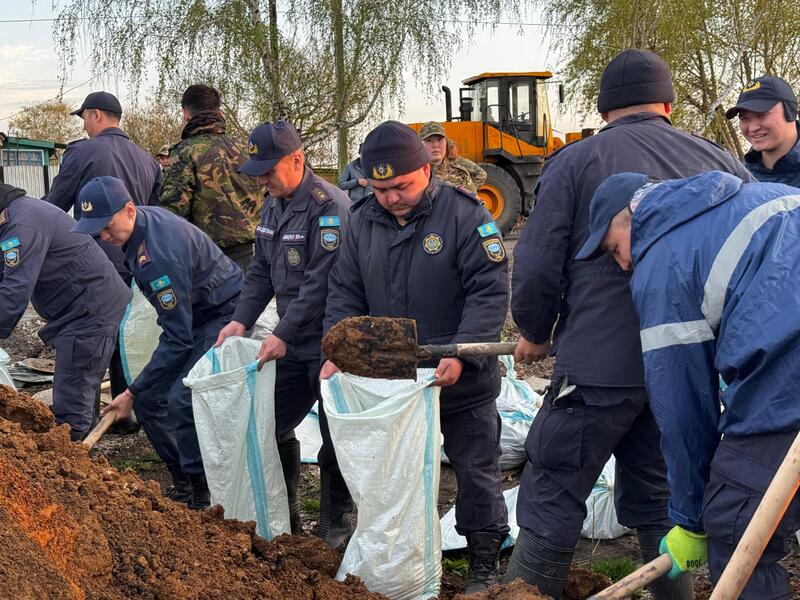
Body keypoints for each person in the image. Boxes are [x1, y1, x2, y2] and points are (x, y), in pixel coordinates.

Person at [506, 49, 753, 599]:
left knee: (554, 487)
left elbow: (539, 263)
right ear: (667, 103)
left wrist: (534, 329)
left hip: (598, 369)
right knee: (664, 496)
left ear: (603, 109)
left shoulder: (573, 162)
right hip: (687, 374)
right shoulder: (720, 161)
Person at [576, 169, 800, 600]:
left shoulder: (664, 261)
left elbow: (683, 407)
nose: (623, 263)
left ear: (630, 217)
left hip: (786, 380)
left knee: (737, 527)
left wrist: (692, 519)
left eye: (614, 248)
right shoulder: (763, 198)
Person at [322, 121, 509, 594]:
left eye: (401, 186)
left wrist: (465, 354)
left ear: (427, 169)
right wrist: (338, 349)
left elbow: (488, 292)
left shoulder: (465, 216)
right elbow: (344, 291)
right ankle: (396, 557)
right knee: (391, 473)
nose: (391, 198)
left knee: (475, 468)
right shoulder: (362, 219)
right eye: (380, 188)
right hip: (393, 381)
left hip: (458, 377)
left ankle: (483, 562)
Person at [214, 121, 352, 542]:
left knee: (335, 440)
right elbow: (260, 271)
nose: (262, 180)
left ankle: (335, 529)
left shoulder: (330, 207)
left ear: (297, 159)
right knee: (269, 423)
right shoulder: (273, 204)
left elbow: (319, 282)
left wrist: (283, 333)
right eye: (257, 172)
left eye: (268, 171)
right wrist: (242, 318)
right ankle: (285, 515)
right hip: (292, 342)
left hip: (331, 342)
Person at [75, 176, 244, 510]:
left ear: (128, 209)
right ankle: (184, 482)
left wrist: (130, 391)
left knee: (181, 398)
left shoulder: (157, 257)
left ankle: (201, 494)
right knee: (152, 399)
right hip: (196, 313)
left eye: (107, 228)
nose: (103, 237)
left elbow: (178, 339)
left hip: (223, 313)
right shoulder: (139, 226)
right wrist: (138, 393)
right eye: (97, 231)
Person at [44, 90, 162, 421]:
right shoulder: (147, 160)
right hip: (135, 260)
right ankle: (125, 415)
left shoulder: (83, 153)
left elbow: (55, 205)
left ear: (96, 115)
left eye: (83, 118)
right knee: (127, 335)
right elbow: (152, 213)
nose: (83, 126)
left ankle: (86, 418)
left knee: (90, 337)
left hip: (93, 261)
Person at [0, 182, 131, 441]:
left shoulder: (22, 225)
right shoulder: (16, 215)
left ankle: (73, 462)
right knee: (81, 383)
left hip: (90, 309)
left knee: (72, 395)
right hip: (84, 303)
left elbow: (14, 291)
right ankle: (84, 431)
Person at [160, 84, 263, 271]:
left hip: (207, 258)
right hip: (251, 254)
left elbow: (173, 211)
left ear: (186, 114)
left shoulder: (185, 151)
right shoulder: (245, 148)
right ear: (220, 112)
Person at [725, 75, 800, 186]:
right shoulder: (738, 181)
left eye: (762, 115)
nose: (753, 128)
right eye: (744, 118)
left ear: (790, 111)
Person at [418, 121, 486, 192]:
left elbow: (472, 200)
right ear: (419, 145)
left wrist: (469, 191)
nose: (435, 145)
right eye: (429, 141)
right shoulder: (413, 175)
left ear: (446, 143)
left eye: (440, 140)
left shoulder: (461, 174)